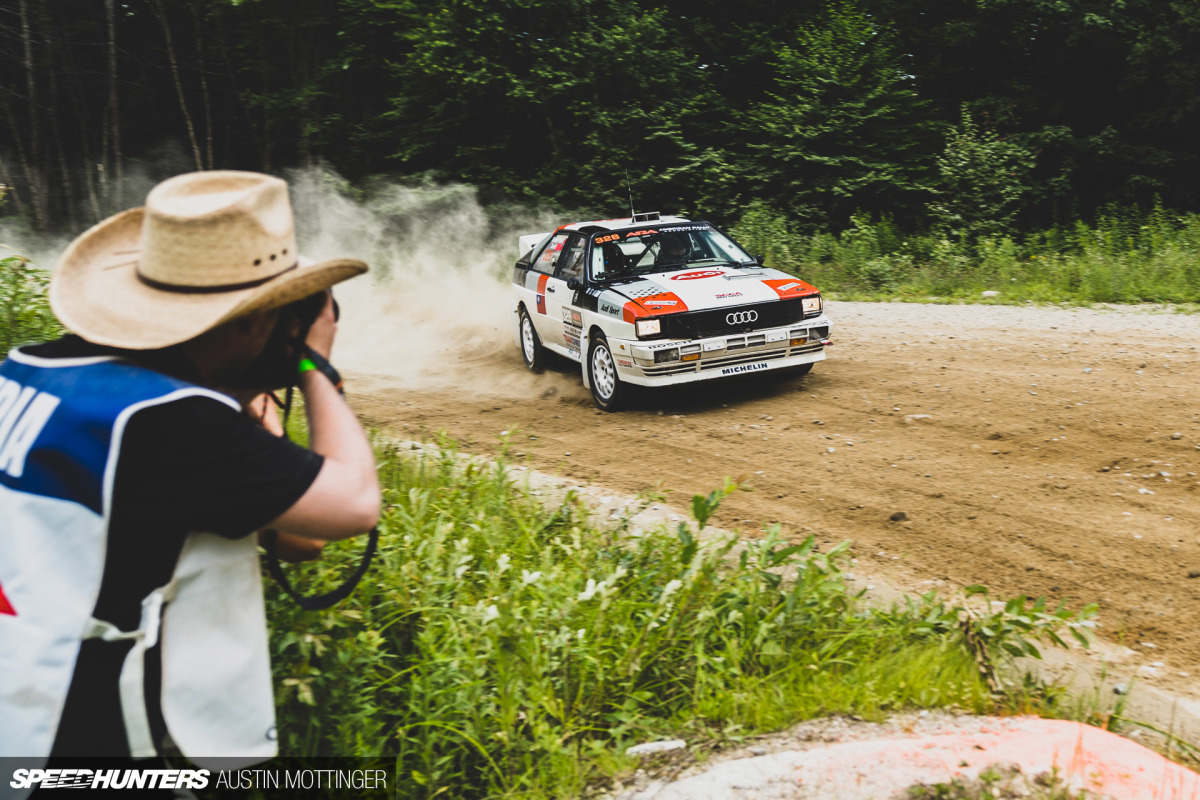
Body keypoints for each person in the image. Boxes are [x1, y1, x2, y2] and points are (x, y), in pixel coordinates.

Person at [0, 171, 380, 772]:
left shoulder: (33, 369)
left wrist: (244, 400)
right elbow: (352, 503)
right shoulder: (172, 425)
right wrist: (314, 364)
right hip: (87, 738)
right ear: (255, 319)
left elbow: (295, 538)